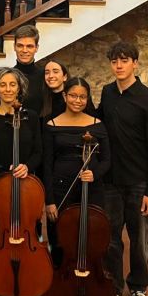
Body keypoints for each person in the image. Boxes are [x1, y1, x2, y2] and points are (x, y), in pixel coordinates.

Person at [98, 41, 148, 296]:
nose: (119, 66)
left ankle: (137, 286)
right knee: (111, 237)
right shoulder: (107, 93)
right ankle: (113, 285)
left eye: (124, 60)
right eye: (115, 61)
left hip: (139, 182)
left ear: (135, 63)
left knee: (140, 239)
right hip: (111, 181)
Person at [0, 67, 42, 296]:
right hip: (1, 191)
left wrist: (28, 166)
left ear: (19, 88)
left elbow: (38, 151)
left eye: (12, 85)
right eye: (2, 85)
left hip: (27, 189)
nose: (7, 89)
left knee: (29, 236)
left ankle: (27, 291)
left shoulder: (32, 116)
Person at [42, 77, 111, 267]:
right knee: (60, 241)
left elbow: (106, 160)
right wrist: (50, 201)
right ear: (64, 96)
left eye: (82, 97)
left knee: (91, 238)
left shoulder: (97, 124)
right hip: (61, 189)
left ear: (88, 99)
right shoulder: (51, 125)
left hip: (92, 190)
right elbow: (47, 165)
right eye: (73, 95)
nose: (77, 101)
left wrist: (94, 174)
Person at [12, 25, 45, 116]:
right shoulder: (7, 76)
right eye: (20, 46)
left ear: (36, 48)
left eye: (29, 46)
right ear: (14, 47)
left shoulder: (45, 76)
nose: (24, 50)